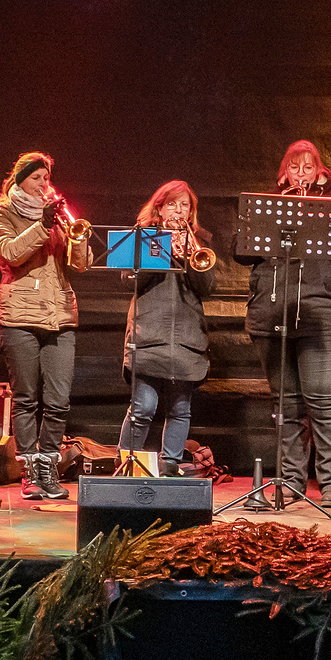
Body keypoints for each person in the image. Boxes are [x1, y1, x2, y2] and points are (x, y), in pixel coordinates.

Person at [235, 140, 331, 509]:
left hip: (325, 315)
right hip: (273, 314)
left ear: (320, 171)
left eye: (307, 167)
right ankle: (290, 481)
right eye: (294, 168)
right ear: (284, 173)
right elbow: (240, 248)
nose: (301, 174)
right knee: (287, 406)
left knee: (324, 401)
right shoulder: (270, 204)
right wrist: (276, 223)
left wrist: (313, 223)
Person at [0, 151, 93, 500]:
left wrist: (78, 239)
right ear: (20, 180)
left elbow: (81, 266)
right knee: (26, 398)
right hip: (19, 316)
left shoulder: (57, 218)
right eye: (37, 179)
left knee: (59, 399)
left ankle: (48, 464)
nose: (44, 185)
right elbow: (11, 253)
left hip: (61, 316)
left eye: (47, 179)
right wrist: (43, 225)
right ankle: (30, 470)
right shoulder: (3, 212)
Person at [117, 180, 216, 475]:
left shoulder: (200, 242)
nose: (178, 210)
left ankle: (170, 467)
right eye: (172, 203)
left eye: (185, 205)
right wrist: (161, 247)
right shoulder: (143, 238)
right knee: (143, 408)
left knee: (180, 410)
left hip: (186, 338)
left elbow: (207, 287)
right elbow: (132, 279)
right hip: (149, 336)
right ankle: (125, 466)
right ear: (159, 207)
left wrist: (189, 254)